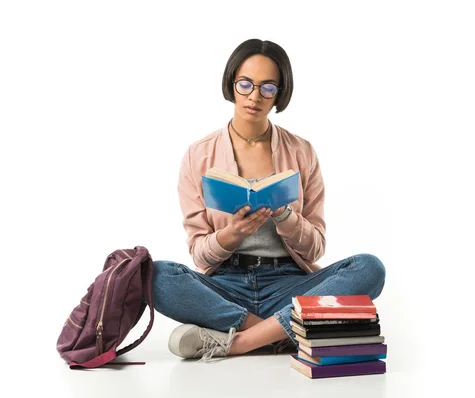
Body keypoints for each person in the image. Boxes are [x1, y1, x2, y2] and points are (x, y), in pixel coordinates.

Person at [150, 38, 386, 361]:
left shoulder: (302, 152)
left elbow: (316, 247)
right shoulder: (198, 156)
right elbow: (200, 255)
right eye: (245, 84)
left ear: (279, 93)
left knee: (370, 268)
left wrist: (286, 217)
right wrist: (233, 233)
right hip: (227, 287)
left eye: (267, 88)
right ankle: (282, 333)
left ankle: (238, 342)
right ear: (232, 84)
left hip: (289, 287)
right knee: (155, 275)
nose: (254, 96)